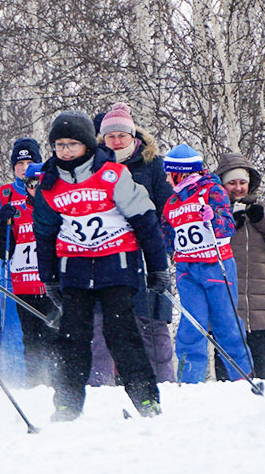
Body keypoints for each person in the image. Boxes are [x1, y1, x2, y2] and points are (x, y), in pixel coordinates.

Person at [32, 110, 172, 419]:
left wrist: (157, 265)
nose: (65, 151)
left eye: (71, 144)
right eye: (59, 145)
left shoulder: (112, 174)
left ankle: (146, 399)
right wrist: (50, 277)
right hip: (75, 269)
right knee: (73, 338)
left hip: (116, 265)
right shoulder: (49, 183)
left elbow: (145, 221)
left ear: (86, 145)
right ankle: (67, 403)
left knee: (122, 333)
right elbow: (44, 234)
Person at [97, 103, 176, 381]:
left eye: (122, 135)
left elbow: (167, 206)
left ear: (133, 136)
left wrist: (163, 244)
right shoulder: (96, 166)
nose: (117, 141)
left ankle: (163, 382)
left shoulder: (152, 164)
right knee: (106, 320)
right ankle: (101, 385)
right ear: (102, 140)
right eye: (110, 137)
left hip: (146, 248)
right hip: (107, 250)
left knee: (151, 321)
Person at [162, 144, 250, 383]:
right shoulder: (171, 203)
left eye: (169, 173)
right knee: (192, 325)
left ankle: (243, 377)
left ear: (181, 172)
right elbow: (168, 238)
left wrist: (214, 217)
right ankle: (190, 380)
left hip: (216, 266)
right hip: (187, 271)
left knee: (226, 324)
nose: (167, 179)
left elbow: (228, 226)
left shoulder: (213, 191)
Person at [0, 139, 57, 387]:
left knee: (52, 329)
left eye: (29, 163)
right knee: (17, 331)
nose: (24, 169)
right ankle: (21, 381)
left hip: (47, 274)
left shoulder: (49, 188)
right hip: (16, 275)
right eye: (20, 164)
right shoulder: (4, 194)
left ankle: (56, 379)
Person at [214, 153, 265, 380]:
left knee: (260, 354)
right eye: (232, 183)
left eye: (242, 182)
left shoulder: (260, 207)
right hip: (226, 292)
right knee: (226, 353)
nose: (238, 188)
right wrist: (228, 224)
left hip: (258, 296)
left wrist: (261, 221)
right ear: (222, 185)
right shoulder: (214, 208)